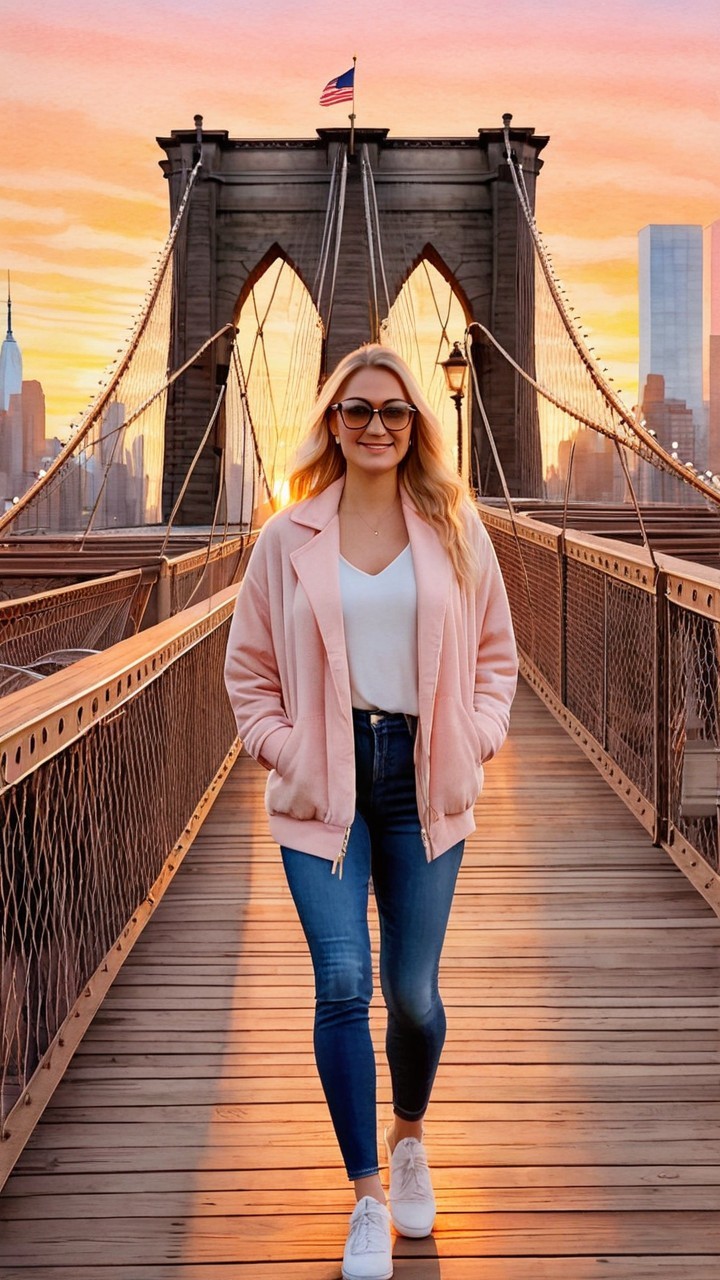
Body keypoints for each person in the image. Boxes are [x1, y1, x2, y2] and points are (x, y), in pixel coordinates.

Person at [224, 343, 518, 1280]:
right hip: (326, 787)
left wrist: (473, 739)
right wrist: (291, 750)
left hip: (422, 782)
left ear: (418, 424)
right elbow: (248, 674)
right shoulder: (286, 538)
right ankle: (364, 1196)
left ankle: (410, 1137)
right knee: (344, 983)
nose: (377, 427)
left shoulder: (458, 531)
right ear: (333, 423)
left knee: (416, 997)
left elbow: (498, 659)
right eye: (358, 412)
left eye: (395, 411)